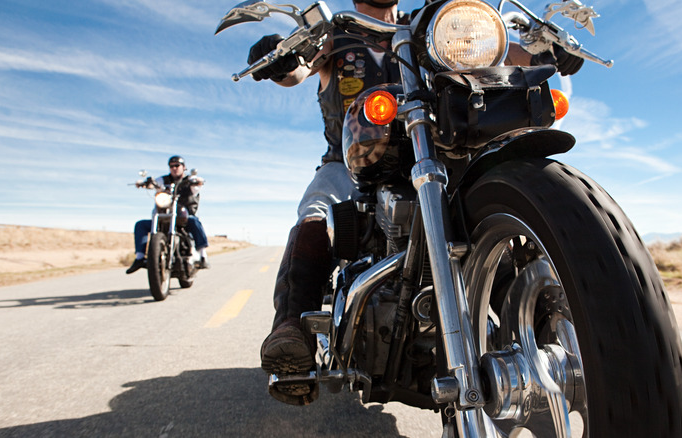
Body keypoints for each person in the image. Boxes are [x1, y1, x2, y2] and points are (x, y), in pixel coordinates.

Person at [248, 0, 585, 405]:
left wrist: (547, 55)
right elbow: (299, 68)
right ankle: (291, 328)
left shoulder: (433, 26)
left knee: (487, 196)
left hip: (429, 152)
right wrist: (279, 57)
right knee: (319, 207)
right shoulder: (336, 34)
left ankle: (557, 328)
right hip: (349, 161)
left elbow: (500, 48)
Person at [126, 155, 211, 274]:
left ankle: (203, 256)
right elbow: (154, 184)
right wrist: (145, 184)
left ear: (183, 167)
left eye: (177, 165)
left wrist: (198, 181)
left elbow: (198, 183)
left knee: (194, 221)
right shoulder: (164, 180)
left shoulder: (189, 180)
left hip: (183, 217)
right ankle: (139, 258)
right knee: (141, 225)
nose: (174, 168)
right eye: (171, 166)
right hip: (164, 216)